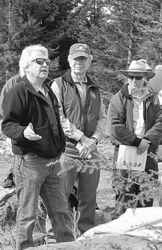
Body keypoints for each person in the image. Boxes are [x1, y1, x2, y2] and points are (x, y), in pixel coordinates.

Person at [1, 44, 74, 249]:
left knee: (61, 212)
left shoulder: (49, 90)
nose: (45, 65)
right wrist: (23, 132)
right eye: (39, 61)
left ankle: (68, 246)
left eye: (47, 61)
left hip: (53, 162)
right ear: (26, 66)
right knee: (27, 216)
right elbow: (7, 124)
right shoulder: (17, 92)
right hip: (29, 162)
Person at [50, 43, 108, 235]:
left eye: (83, 59)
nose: (79, 63)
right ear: (69, 60)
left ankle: (86, 234)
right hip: (66, 149)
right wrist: (81, 138)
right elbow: (59, 117)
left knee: (89, 197)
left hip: (91, 149)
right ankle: (53, 237)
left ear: (89, 61)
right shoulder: (58, 85)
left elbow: (102, 118)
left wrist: (94, 140)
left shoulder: (95, 88)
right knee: (59, 195)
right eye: (76, 59)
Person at [108, 59, 162, 219]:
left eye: (137, 77)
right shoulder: (118, 98)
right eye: (130, 77)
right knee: (124, 198)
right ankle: (119, 241)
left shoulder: (154, 99)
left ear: (145, 78)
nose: (133, 80)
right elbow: (115, 127)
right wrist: (137, 142)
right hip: (125, 153)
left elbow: (160, 122)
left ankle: (142, 241)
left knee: (146, 197)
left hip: (149, 153)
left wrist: (146, 141)